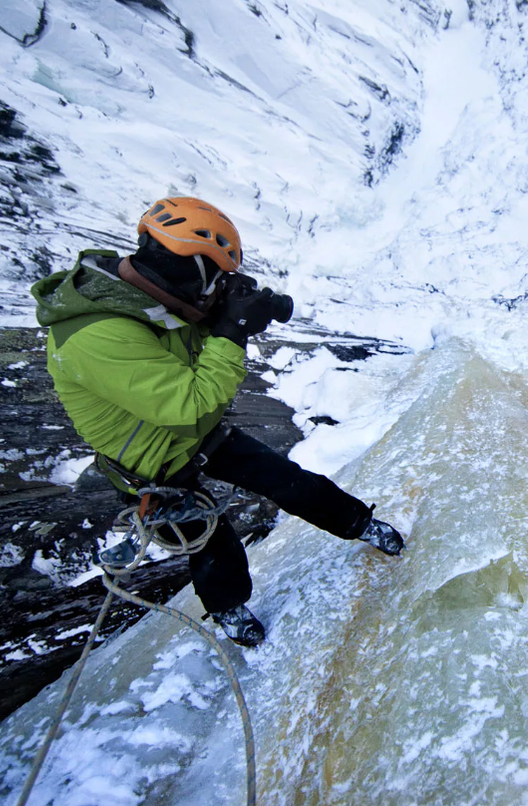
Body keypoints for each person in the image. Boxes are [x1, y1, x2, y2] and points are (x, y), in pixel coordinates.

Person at [31, 196, 404, 647]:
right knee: (210, 541)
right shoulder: (98, 334)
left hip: (194, 433)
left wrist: (232, 313)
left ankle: (359, 523)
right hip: (152, 463)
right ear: (190, 269)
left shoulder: (142, 297)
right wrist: (230, 331)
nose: (213, 291)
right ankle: (228, 607)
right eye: (215, 280)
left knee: (285, 478)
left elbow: (186, 337)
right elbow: (188, 401)